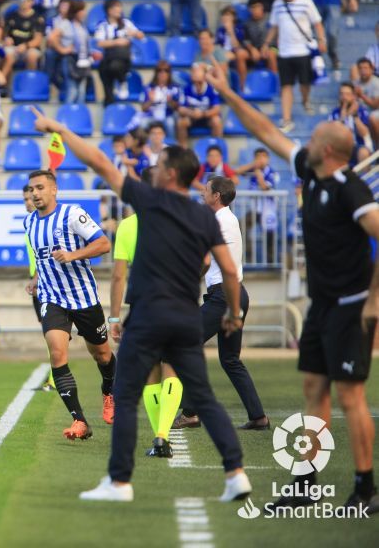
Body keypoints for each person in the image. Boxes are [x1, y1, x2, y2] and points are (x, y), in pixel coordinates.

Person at [28, 108, 251, 503]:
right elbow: (230, 272)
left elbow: (98, 160)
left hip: (149, 314)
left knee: (126, 394)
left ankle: (119, 482)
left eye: (160, 162)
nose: (155, 165)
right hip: (185, 315)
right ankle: (235, 473)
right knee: (203, 394)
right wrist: (234, 313)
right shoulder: (205, 216)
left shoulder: (148, 202)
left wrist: (59, 128)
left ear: (169, 174)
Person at [206, 60, 379, 512]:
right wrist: (227, 92)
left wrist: (374, 300)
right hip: (322, 305)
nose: (307, 140)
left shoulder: (349, 188)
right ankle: (305, 483)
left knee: (350, 395)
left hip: (351, 305)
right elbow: (265, 131)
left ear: (329, 150)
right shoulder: (313, 172)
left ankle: (365, 487)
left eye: (316, 135)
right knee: (313, 391)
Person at [24, 168, 118, 440]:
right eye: (32, 189)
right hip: (52, 298)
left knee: (101, 354)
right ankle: (79, 421)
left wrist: (73, 255)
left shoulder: (72, 214)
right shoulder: (29, 223)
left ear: (54, 189)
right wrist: (36, 279)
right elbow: (43, 259)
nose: (35, 193)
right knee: (57, 354)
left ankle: (109, 391)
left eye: (40, 188)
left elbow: (102, 244)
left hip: (84, 298)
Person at [176, 177, 269, 432]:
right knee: (230, 358)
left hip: (223, 296)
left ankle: (191, 412)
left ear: (216, 196)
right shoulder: (228, 219)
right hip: (236, 293)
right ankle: (258, 416)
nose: (202, 193)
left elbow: (205, 259)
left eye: (206, 190)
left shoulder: (217, 221)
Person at [109, 167, 184, 458]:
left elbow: (118, 277)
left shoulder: (128, 225)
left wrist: (115, 317)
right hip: (177, 303)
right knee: (172, 368)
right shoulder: (179, 220)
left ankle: (158, 438)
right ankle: (163, 434)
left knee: (151, 373)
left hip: (142, 307)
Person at [263, 0, 326, 133]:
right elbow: (274, 27)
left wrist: (321, 40)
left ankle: (306, 100)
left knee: (305, 83)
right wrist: (266, 43)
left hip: (303, 51)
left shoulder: (306, 3)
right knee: (286, 86)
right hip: (284, 52)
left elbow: (317, 23)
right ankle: (286, 118)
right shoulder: (277, 4)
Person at [22, 185, 56, 391]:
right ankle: (54, 376)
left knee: (52, 330)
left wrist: (37, 277)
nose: (28, 201)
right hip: (37, 280)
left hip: (45, 281)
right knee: (47, 329)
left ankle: (55, 378)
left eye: (30, 198)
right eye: (25, 199)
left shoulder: (43, 223)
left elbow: (44, 254)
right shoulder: (30, 223)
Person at [95, 0, 144, 106]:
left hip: (123, 58)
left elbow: (141, 35)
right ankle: (109, 102)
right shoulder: (103, 25)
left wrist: (134, 33)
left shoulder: (126, 23)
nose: (119, 10)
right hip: (109, 57)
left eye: (119, 7)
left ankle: (122, 81)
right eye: (115, 7)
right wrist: (117, 42)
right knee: (103, 68)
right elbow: (99, 43)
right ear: (109, 10)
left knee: (115, 65)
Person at [177, 63, 223, 147]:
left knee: (217, 121)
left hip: (207, 117)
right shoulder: (186, 89)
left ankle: (217, 147)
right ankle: (182, 149)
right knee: (181, 122)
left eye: (199, 82)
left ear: (205, 79)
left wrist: (203, 114)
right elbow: (181, 109)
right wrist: (191, 113)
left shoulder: (212, 89)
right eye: (194, 82)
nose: (197, 85)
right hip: (192, 117)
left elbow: (217, 109)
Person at [2, 0, 45, 79]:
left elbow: (37, 40)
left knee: (31, 55)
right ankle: (3, 85)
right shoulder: (10, 16)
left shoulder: (38, 18)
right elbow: (3, 33)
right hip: (14, 48)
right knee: (6, 53)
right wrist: (6, 38)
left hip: (30, 48)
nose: (23, 1)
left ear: (32, 1)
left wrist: (25, 46)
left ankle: (30, 83)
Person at [330, 82, 373, 164]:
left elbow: (365, 133)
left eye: (347, 94)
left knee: (363, 152)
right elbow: (333, 135)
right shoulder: (335, 113)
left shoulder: (361, 111)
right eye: (342, 94)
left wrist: (355, 116)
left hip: (358, 146)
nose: (344, 97)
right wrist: (343, 117)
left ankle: (362, 176)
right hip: (341, 147)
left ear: (353, 96)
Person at [139, 61, 182, 135]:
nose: (163, 73)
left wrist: (170, 101)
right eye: (159, 71)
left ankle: (171, 144)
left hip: (168, 116)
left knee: (170, 123)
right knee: (142, 123)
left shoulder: (175, 88)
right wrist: (151, 101)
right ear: (156, 73)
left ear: (169, 73)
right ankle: (145, 145)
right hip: (152, 116)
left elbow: (178, 107)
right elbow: (143, 108)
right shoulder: (149, 88)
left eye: (166, 71)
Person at [216, 7, 250, 88]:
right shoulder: (220, 30)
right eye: (224, 15)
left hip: (235, 52)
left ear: (233, 17)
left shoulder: (239, 28)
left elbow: (237, 46)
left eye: (228, 15)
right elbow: (217, 45)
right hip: (223, 53)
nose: (225, 17)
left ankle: (241, 86)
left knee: (226, 57)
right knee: (220, 58)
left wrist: (231, 32)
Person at [242, 0, 278, 73]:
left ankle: (274, 81)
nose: (256, 9)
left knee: (271, 53)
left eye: (258, 6)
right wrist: (252, 49)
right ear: (249, 10)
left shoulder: (271, 18)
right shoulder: (247, 23)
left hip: (273, 48)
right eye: (253, 7)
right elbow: (245, 40)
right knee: (240, 55)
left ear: (262, 7)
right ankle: (244, 84)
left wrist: (266, 47)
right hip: (256, 49)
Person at [352, 57, 379, 146]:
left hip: (374, 111)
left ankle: (377, 149)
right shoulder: (355, 83)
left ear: (371, 69)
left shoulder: (376, 83)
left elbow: (375, 105)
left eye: (366, 68)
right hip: (360, 112)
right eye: (360, 68)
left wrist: (361, 95)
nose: (363, 71)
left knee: (372, 118)